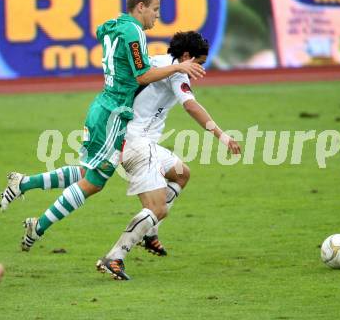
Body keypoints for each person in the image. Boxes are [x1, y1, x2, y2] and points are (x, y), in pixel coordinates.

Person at [0, 0, 205, 253]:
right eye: (155, 9)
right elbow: (141, 75)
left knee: (89, 172)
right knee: (94, 181)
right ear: (140, 7)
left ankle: (25, 185)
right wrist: (178, 65)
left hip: (104, 106)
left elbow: (100, 32)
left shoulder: (115, 24)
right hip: (114, 112)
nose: (157, 15)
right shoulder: (134, 31)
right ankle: (38, 226)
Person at [96, 31, 241, 280]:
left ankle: (150, 233)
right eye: (200, 63)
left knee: (182, 173)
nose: (200, 69)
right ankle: (115, 257)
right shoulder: (177, 72)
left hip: (135, 139)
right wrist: (222, 135)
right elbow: (191, 106)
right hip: (136, 144)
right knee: (158, 208)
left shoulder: (158, 62)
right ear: (186, 56)